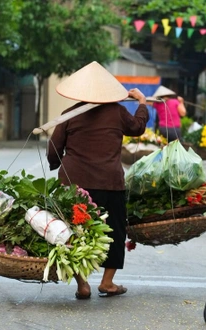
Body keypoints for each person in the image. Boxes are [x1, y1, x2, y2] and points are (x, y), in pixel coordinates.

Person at [47, 61, 149, 299]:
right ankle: (107, 282)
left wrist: (58, 165)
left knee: (74, 231)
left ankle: (82, 284)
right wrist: (142, 103)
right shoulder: (117, 112)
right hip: (109, 183)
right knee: (114, 230)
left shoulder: (68, 115)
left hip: (73, 184)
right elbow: (137, 127)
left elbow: (54, 150)